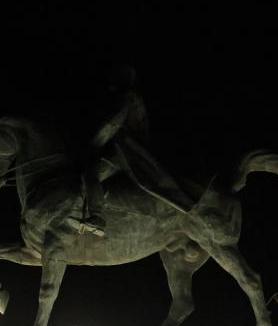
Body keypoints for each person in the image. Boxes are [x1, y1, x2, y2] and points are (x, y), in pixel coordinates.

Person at [77, 64, 192, 238]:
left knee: (90, 173)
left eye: (114, 78)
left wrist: (94, 144)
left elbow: (112, 124)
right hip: (128, 149)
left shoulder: (127, 97)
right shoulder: (131, 97)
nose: (110, 82)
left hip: (128, 152)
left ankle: (97, 217)